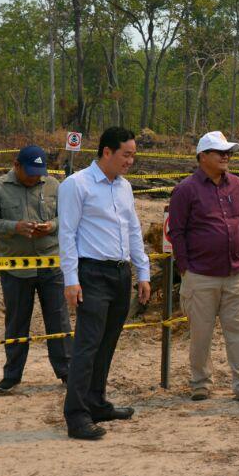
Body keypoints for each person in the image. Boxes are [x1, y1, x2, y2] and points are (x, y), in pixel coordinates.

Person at [58, 126, 152, 441]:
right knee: (87, 345)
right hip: (92, 274)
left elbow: (133, 229)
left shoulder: (124, 187)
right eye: (126, 155)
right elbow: (67, 234)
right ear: (107, 152)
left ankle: (96, 403)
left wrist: (143, 271)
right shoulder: (77, 184)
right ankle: (76, 415)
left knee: (108, 342)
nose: (130, 161)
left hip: (120, 273)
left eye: (133, 156)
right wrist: (71, 280)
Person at [167, 131, 239, 403]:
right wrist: (185, 268)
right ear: (202, 156)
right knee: (201, 333)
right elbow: (176, 232)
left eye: (228, 152)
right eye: (220, 152)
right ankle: (200, 383)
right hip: (200, 275)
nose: (226, 157)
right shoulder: (185, 190)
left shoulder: (237, 185)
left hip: (237, 272)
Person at [0, 145, 68, 394]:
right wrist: (14, 227)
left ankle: (67, 371)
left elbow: (68, 217)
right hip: (16, 268)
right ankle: (12, 375)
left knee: (58, 321)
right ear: (16, 166)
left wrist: (51, 226)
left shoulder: (54, 186)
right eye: (30, 173)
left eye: (39, 174)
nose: (34, 178)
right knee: (17, 323)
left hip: (50, 264)